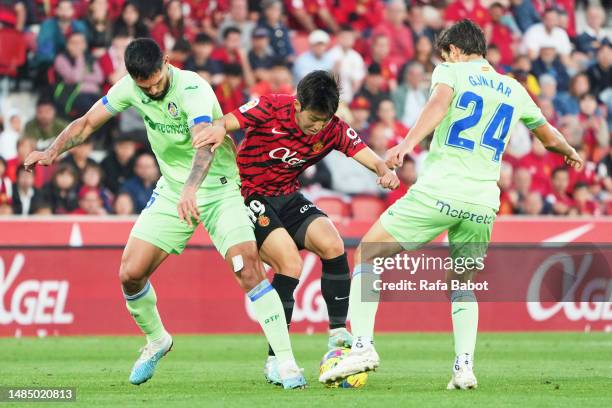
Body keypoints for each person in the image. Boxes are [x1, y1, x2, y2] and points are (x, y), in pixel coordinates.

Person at [24, 38, 304, 389]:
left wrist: (192, 189)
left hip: (218, 189)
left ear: (167, 62)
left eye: (157, 81)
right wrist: (51, 151)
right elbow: (86, 122)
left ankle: (285, 364)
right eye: (146, 86)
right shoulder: (130, 87)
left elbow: (205, 142)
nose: (153, 90)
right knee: (130, 273)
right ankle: (157, 339)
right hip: (173, 191)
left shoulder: (193, 88)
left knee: (249, 270)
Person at [319, 19, 583, 390]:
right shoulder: (513, 88)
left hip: (440, 191)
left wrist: (407, 145)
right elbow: (549, 136)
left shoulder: (451, 72)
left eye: (445, 55)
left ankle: (362, 346)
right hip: (482, 203)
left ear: (455, 51)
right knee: (462, 283)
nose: (442, 60)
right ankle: (464, 368)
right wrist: (570, 152)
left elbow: (439, 104)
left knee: (366, 253)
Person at [191, 70, 399, 385]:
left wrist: (383, 170)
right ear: (298, 105)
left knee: (333, 243)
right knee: (290, 262)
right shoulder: (271, 107)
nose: (318, 127)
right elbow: (228, 121)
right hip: (249, 194)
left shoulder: (331, 128)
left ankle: (337, 332)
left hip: (287, 196)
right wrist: (218, 130)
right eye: (314, 118)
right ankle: (276, 360)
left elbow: (364, 152)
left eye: (325, 120)